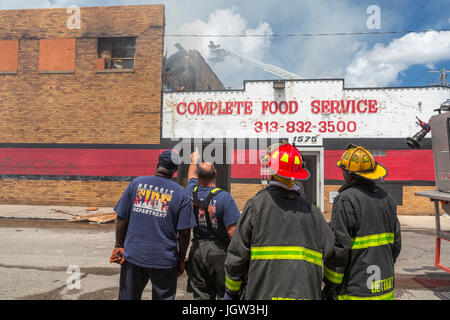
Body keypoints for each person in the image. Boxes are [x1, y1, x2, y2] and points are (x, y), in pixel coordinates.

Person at [224, 142, 335, 300]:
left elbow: (236, 257)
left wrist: (232, 291)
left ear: (271, 171)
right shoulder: (313, 212)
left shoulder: (255, 206)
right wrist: (329, 289)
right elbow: (332, 251)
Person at [109, 150, 197, 300]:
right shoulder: (181, 194)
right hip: (164, 259)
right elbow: (184, 232)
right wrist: (181, 259)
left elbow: (121, 218)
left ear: (158, 164)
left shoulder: (136, 184)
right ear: (175, 170)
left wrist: (119, 245)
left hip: (133, 256)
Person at [323, 144, 401, 300]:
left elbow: (340, 248)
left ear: (349, 175)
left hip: (355, 291)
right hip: (385, 289)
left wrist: (331, 285)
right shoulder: (387, 198)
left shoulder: (345, 200)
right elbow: (396, 244)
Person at [185, 148, 241, 300]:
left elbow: (190, 176)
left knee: (201, 295)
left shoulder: (191, 191)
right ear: (215, 174)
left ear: (197, 176)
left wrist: (193, 161)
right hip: (219, 253)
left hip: (196, 251)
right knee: (225, 294)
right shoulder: (225, 198)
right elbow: (232, 232)